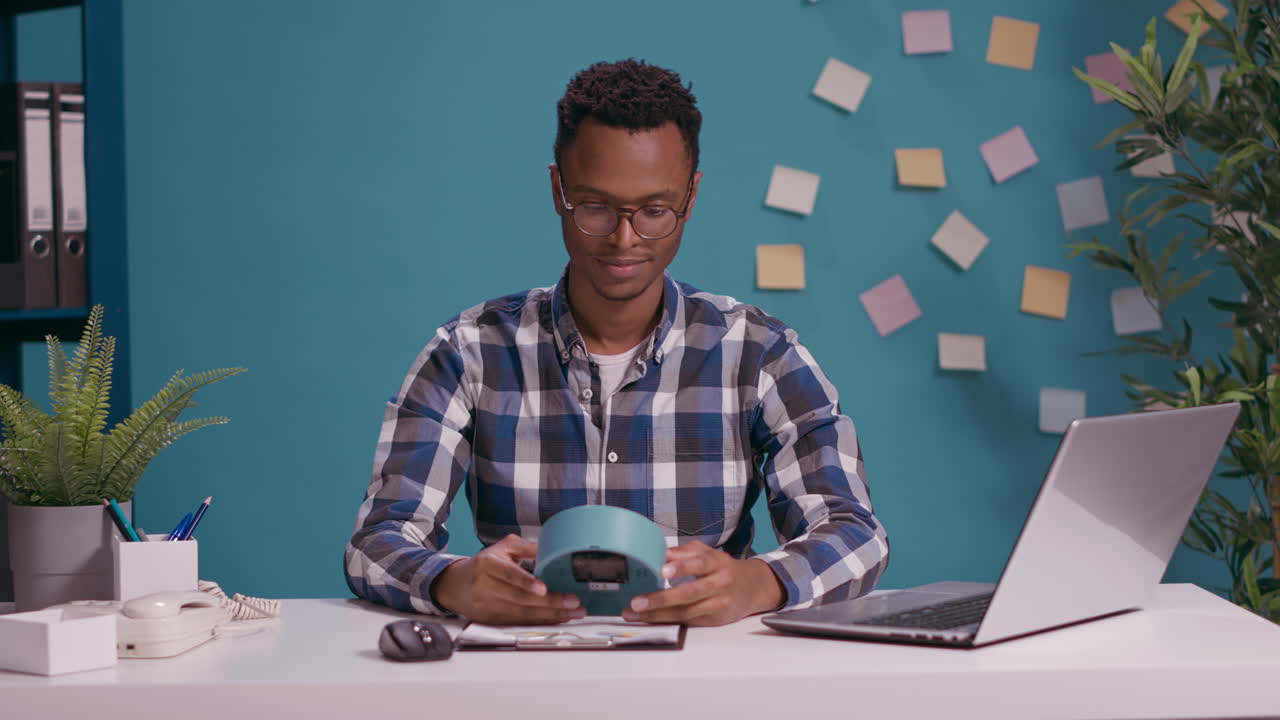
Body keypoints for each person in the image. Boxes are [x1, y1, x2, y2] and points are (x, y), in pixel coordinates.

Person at [345, 59, 888, 627]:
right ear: (559, 190)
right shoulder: (469, 352)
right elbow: (376, 543)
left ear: (691, 198)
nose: (625, 240)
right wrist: (450, 581)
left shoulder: (760, 352)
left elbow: (856, 533)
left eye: (655, 210)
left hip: (704, 671)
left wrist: (759, 582)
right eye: (597, 208)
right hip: (522, 667)